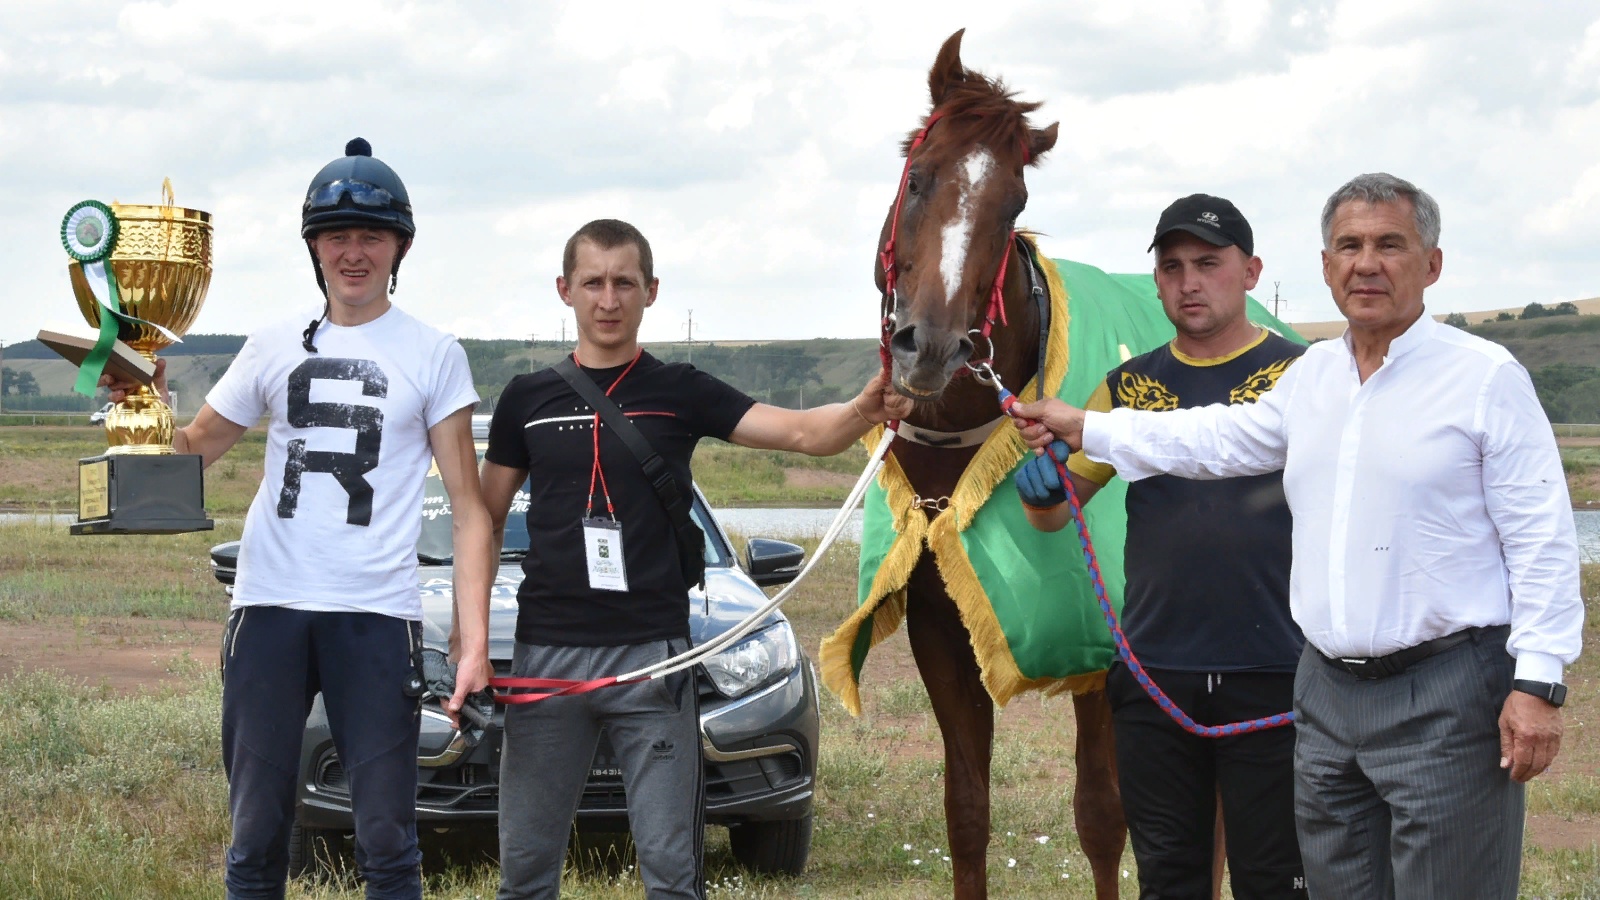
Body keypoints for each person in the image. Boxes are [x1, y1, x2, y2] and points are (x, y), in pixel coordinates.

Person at [1011, 173, 1583, 899]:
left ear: (1431, 265)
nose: (1366, 263)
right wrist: (1084, 425)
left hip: (1445, 690)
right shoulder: (1313, 377)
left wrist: (1537, 682)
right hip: (1326, 697)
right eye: (1349, 245)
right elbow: (1213, 439)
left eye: (1389, 245)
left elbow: (1542, 539)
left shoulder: (1483, 378)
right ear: (1325, 266)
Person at [479, 218, 912, 900]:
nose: (608, 298)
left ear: (651, 291)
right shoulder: (526, 400)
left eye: (625, 282)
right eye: (592, 282)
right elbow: (483, 518)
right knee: (525, 878)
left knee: (674, 877)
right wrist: (474, 639)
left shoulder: (680, 389)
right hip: (547, 659)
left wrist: (866, 405)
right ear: (565, 290)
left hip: (657, 660)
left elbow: (802, 431)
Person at [107, 138, 493, 900]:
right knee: (256, 834)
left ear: (399, 247)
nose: (354, 253)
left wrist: (473, 641)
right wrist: (141, 401)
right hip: (270, 608)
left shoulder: (435, 353)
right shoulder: (272, 344)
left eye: (371, 236)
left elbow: (472, 513)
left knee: (387, 835)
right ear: (313, 246)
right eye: (337, 236)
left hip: (375, 614)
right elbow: (193, 451)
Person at [1013, 194, 1307, 899]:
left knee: (1277, 882)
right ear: (1156, 282)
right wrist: (1040, 489)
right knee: (1169, 881)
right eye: (1172, 267)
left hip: (1277, 670)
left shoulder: (1304, 377)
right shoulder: (1127, 387)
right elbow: (1056, 518)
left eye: (1208, 263)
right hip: (1155, 673)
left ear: (1251, 271)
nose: (1189, 282)